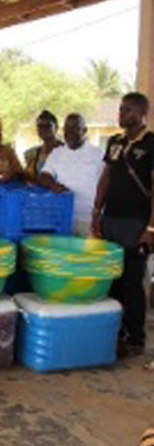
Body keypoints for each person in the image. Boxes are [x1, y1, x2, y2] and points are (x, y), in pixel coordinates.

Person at [92, 92, 154, 356]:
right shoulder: (114, 142)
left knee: (132, 281)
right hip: (111, 220)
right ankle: (115, 333)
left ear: (142, 114)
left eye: (127, 110)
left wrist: (150, 230)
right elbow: (105, 178)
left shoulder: (150, 144)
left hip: (136, 223)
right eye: (120, 109)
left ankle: (136, 338)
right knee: (113, 280)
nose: (121, 114)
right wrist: (96, 213)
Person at [38, 113, 103, 236]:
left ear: (84, 130)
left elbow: (105, 185)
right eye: (67, 128)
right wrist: (54, 185)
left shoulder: (98, 154)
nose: (70, 132)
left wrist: (98, 214)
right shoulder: (57, 153)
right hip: (63, 218)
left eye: (75, 128)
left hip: (88, 220)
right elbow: (44, 175)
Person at [24, 110, 63, 180]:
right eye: (40, 126)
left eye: (48, 126)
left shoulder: (66, 151)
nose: (44, 129)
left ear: (56, 127)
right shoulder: (32, 154)